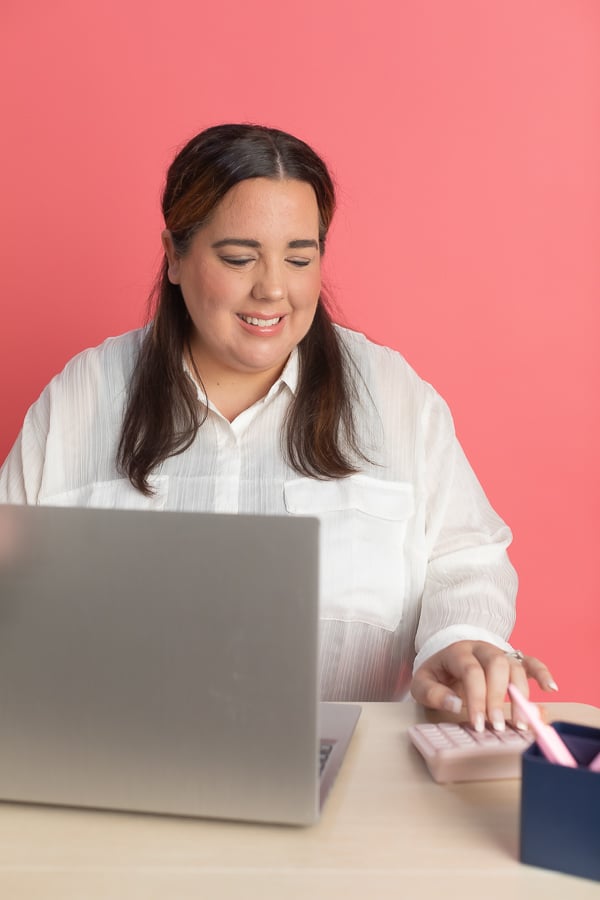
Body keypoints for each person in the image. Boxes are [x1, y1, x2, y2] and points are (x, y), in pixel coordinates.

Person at [0, 123, 556, 730]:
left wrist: (459, 638)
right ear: (175, 257)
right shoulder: (82, 396)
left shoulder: (393, 395)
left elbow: (466, 556)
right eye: (239, 258)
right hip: (116, 763)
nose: (273, 289)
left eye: (299, 257)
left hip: (356, 779)